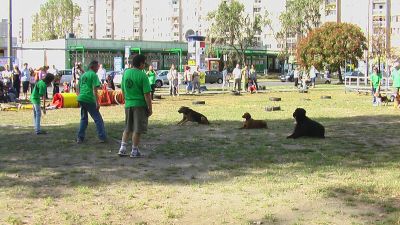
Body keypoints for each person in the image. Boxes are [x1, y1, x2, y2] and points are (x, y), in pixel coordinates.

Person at [118, 54, 153, 158]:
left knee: (128, 127)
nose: (145, 65)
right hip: (139, 105)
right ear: (141, 64)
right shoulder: (143, 76)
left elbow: (123, 90)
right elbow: (147, 94)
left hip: (128, 104)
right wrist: (150, 108)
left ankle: (122, 148)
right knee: (137, 129)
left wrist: (126, 100)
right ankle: (134, 150)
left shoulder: (126, 73)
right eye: (144, 63)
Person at [76, 60, 107, 143]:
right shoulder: (93, 75)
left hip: (81, 98)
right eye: (97, 67)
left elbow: (77, 86)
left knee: (84, 119)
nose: (98, 68)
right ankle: (102, 137)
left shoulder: (84, 75)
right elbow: (94, 90)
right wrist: (97, 102)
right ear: (93, 67)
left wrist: (78, 96)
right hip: (89, 98)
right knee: (98, 119)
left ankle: (80, 137)